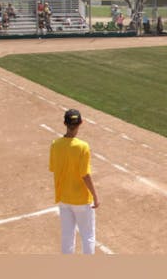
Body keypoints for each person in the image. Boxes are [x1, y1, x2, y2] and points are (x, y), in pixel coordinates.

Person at [49, 109, 100, 254]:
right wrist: (95, 197)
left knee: (67, 236)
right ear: (81, 123)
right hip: (82, 200)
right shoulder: (83, 146)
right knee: (88, 236)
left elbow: (54, 168)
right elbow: (85, 175)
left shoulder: (55, 144)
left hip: (63, 198)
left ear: (65, 123)